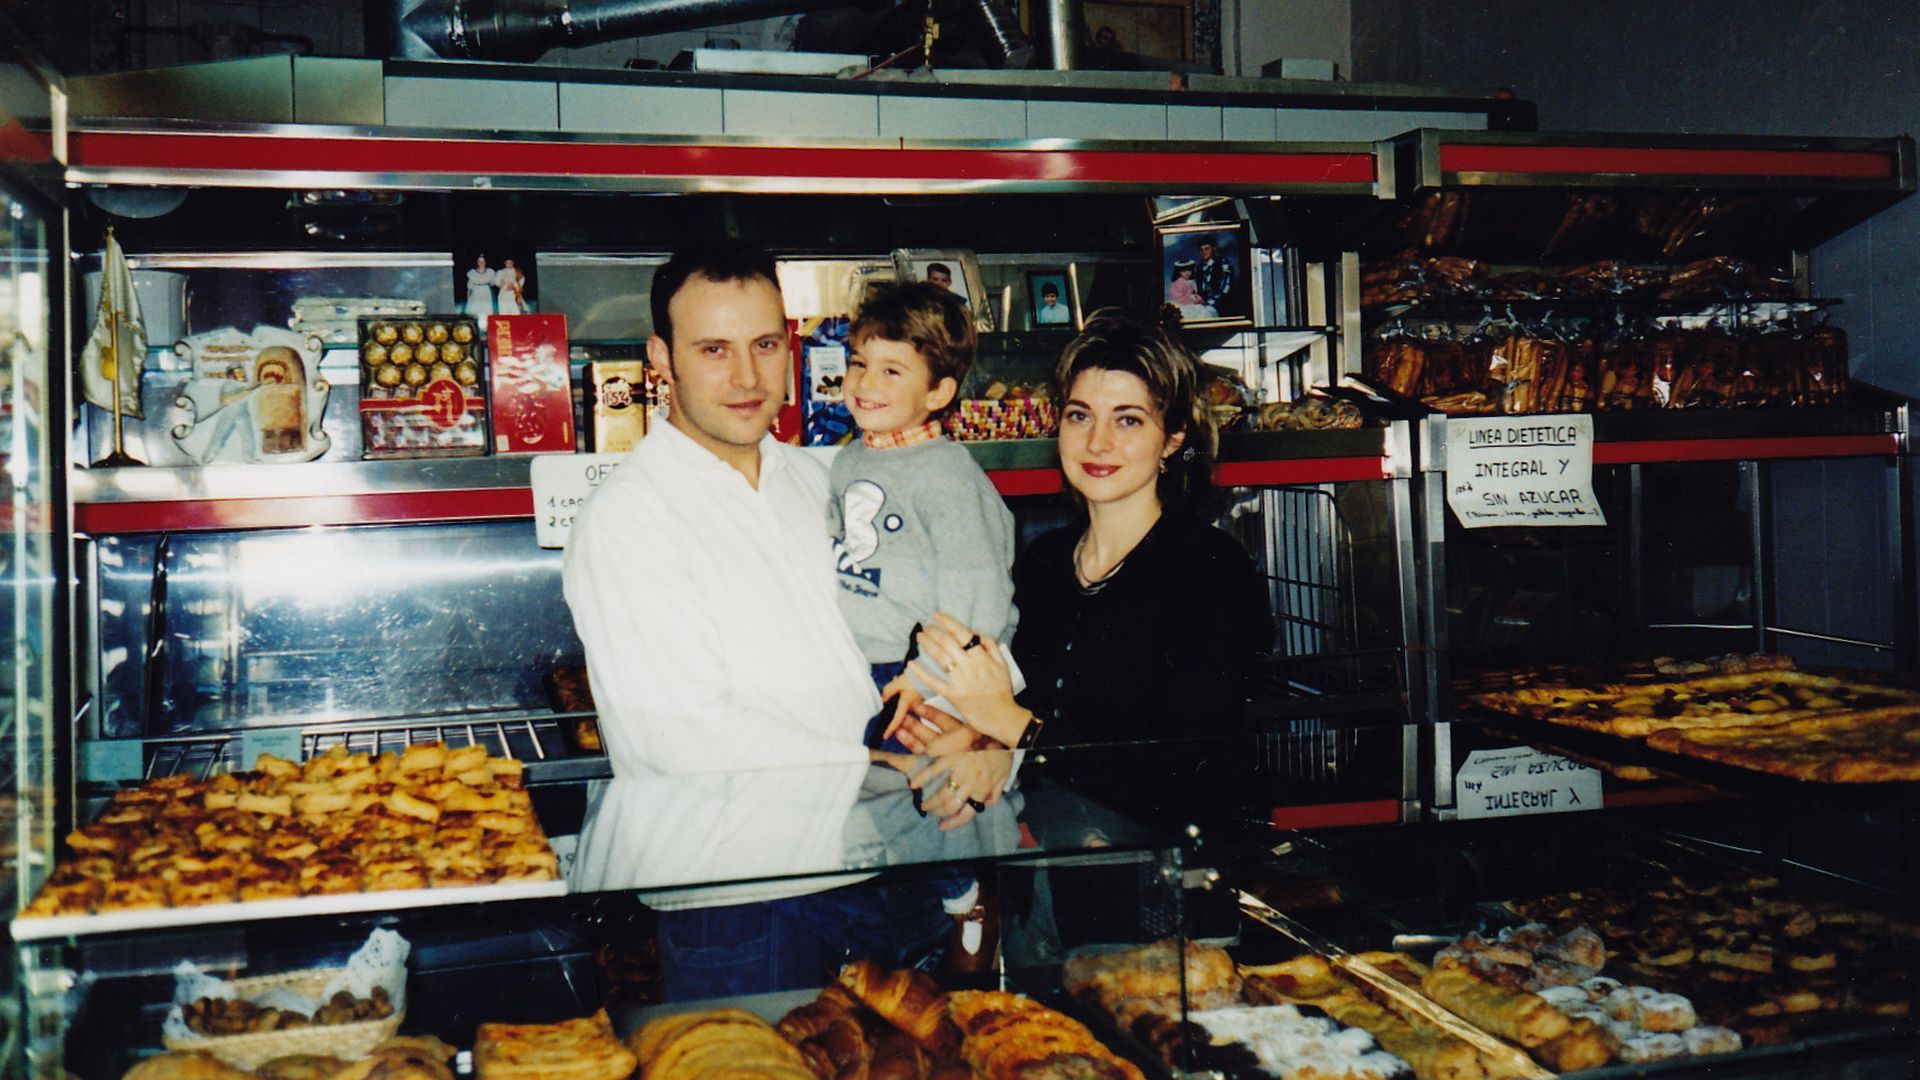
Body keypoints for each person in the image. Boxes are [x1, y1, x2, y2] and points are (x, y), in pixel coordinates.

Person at [562, 240, 956, 1001]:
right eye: (714, 349)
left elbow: (913, 625)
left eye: (765, 345)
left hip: (878, 870)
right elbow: (683, 737)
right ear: (661, 359)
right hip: (741, 898)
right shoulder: (629, 517)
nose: (746, 377)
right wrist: (890, 770)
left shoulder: (820, 479)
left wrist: (960, 719)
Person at [889, 308, 1270, 807]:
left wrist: (1009, 725)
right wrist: (984, 745)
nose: (1097, 442)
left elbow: (1184, 774)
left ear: (1173, 439)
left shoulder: (1212, 572)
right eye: (1079, 415)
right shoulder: (1044, 561)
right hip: (1059, 841)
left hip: (1177, 852)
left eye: (1128, 420)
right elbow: (1040, 717)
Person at [828, 282, 1020, 969]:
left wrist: (931, 680)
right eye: (858, 363)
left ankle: (970, 896)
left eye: (891, 370)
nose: (865, 383)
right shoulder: (852, 456)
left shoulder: (946, 477)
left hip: (925, 670)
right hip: (860, 665)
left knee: (942, 790)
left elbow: (976, 599)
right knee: (887, 795)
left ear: (939, 391)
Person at [1194, 236, 1235, 315]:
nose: (1203, 252)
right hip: (1204, 304)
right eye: (1201, 250)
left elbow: (1226, 287)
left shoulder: (1223, 264)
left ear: (1214, 248)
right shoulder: (1199, 267)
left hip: (1222, 304)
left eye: (1207, 249)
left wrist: (1209, 302)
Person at [464, 255, 496, 328]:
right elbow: (469, 287)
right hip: (476, 291)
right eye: (479, 261)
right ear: (477, 262)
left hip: (486, 291)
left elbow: (493, 283)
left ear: (485, 262)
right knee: (476, 309)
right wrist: (468, 297)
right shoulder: (472, 273)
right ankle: (476, 327)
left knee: (486, 309)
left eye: (483, 261)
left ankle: (486, 328)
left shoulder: (490, 272)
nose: (481, 263)